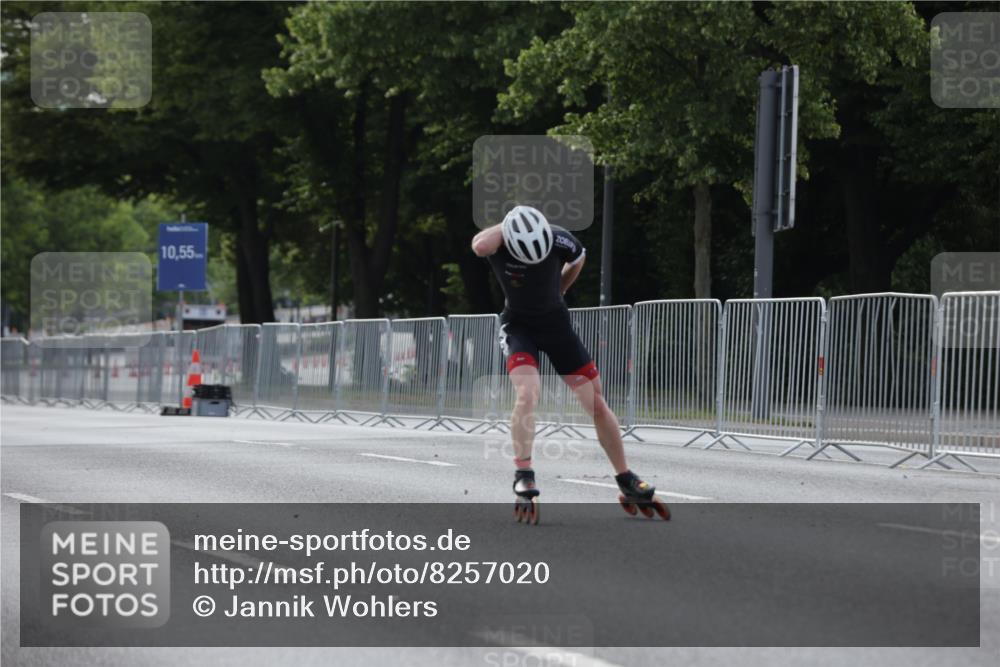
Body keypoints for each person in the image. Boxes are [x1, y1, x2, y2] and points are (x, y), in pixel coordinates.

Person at [471, 205, 669, 523]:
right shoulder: (496, 242)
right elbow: (479, 245)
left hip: (555, 324)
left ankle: (626, 477)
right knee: (528, 394)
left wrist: (561, 288)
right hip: (519, 327)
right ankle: (524, 474)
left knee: (596, 402)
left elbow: (578, 258)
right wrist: (505, 227)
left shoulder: (559, 239)